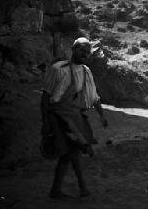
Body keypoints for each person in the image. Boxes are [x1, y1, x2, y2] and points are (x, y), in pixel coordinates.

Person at [41, 37, 108, 198]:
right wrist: (45, 123)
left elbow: (94, 96)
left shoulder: (86, 72)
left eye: (87, 52)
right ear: (73, 49)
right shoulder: (58, 69)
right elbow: (45, 97)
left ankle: (59, 190)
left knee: (69, 153)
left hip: (73, 115)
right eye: (81, 50)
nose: (84, 54)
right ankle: (80, 187)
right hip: (57, 115)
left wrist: (102, 115)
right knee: (70, 152)